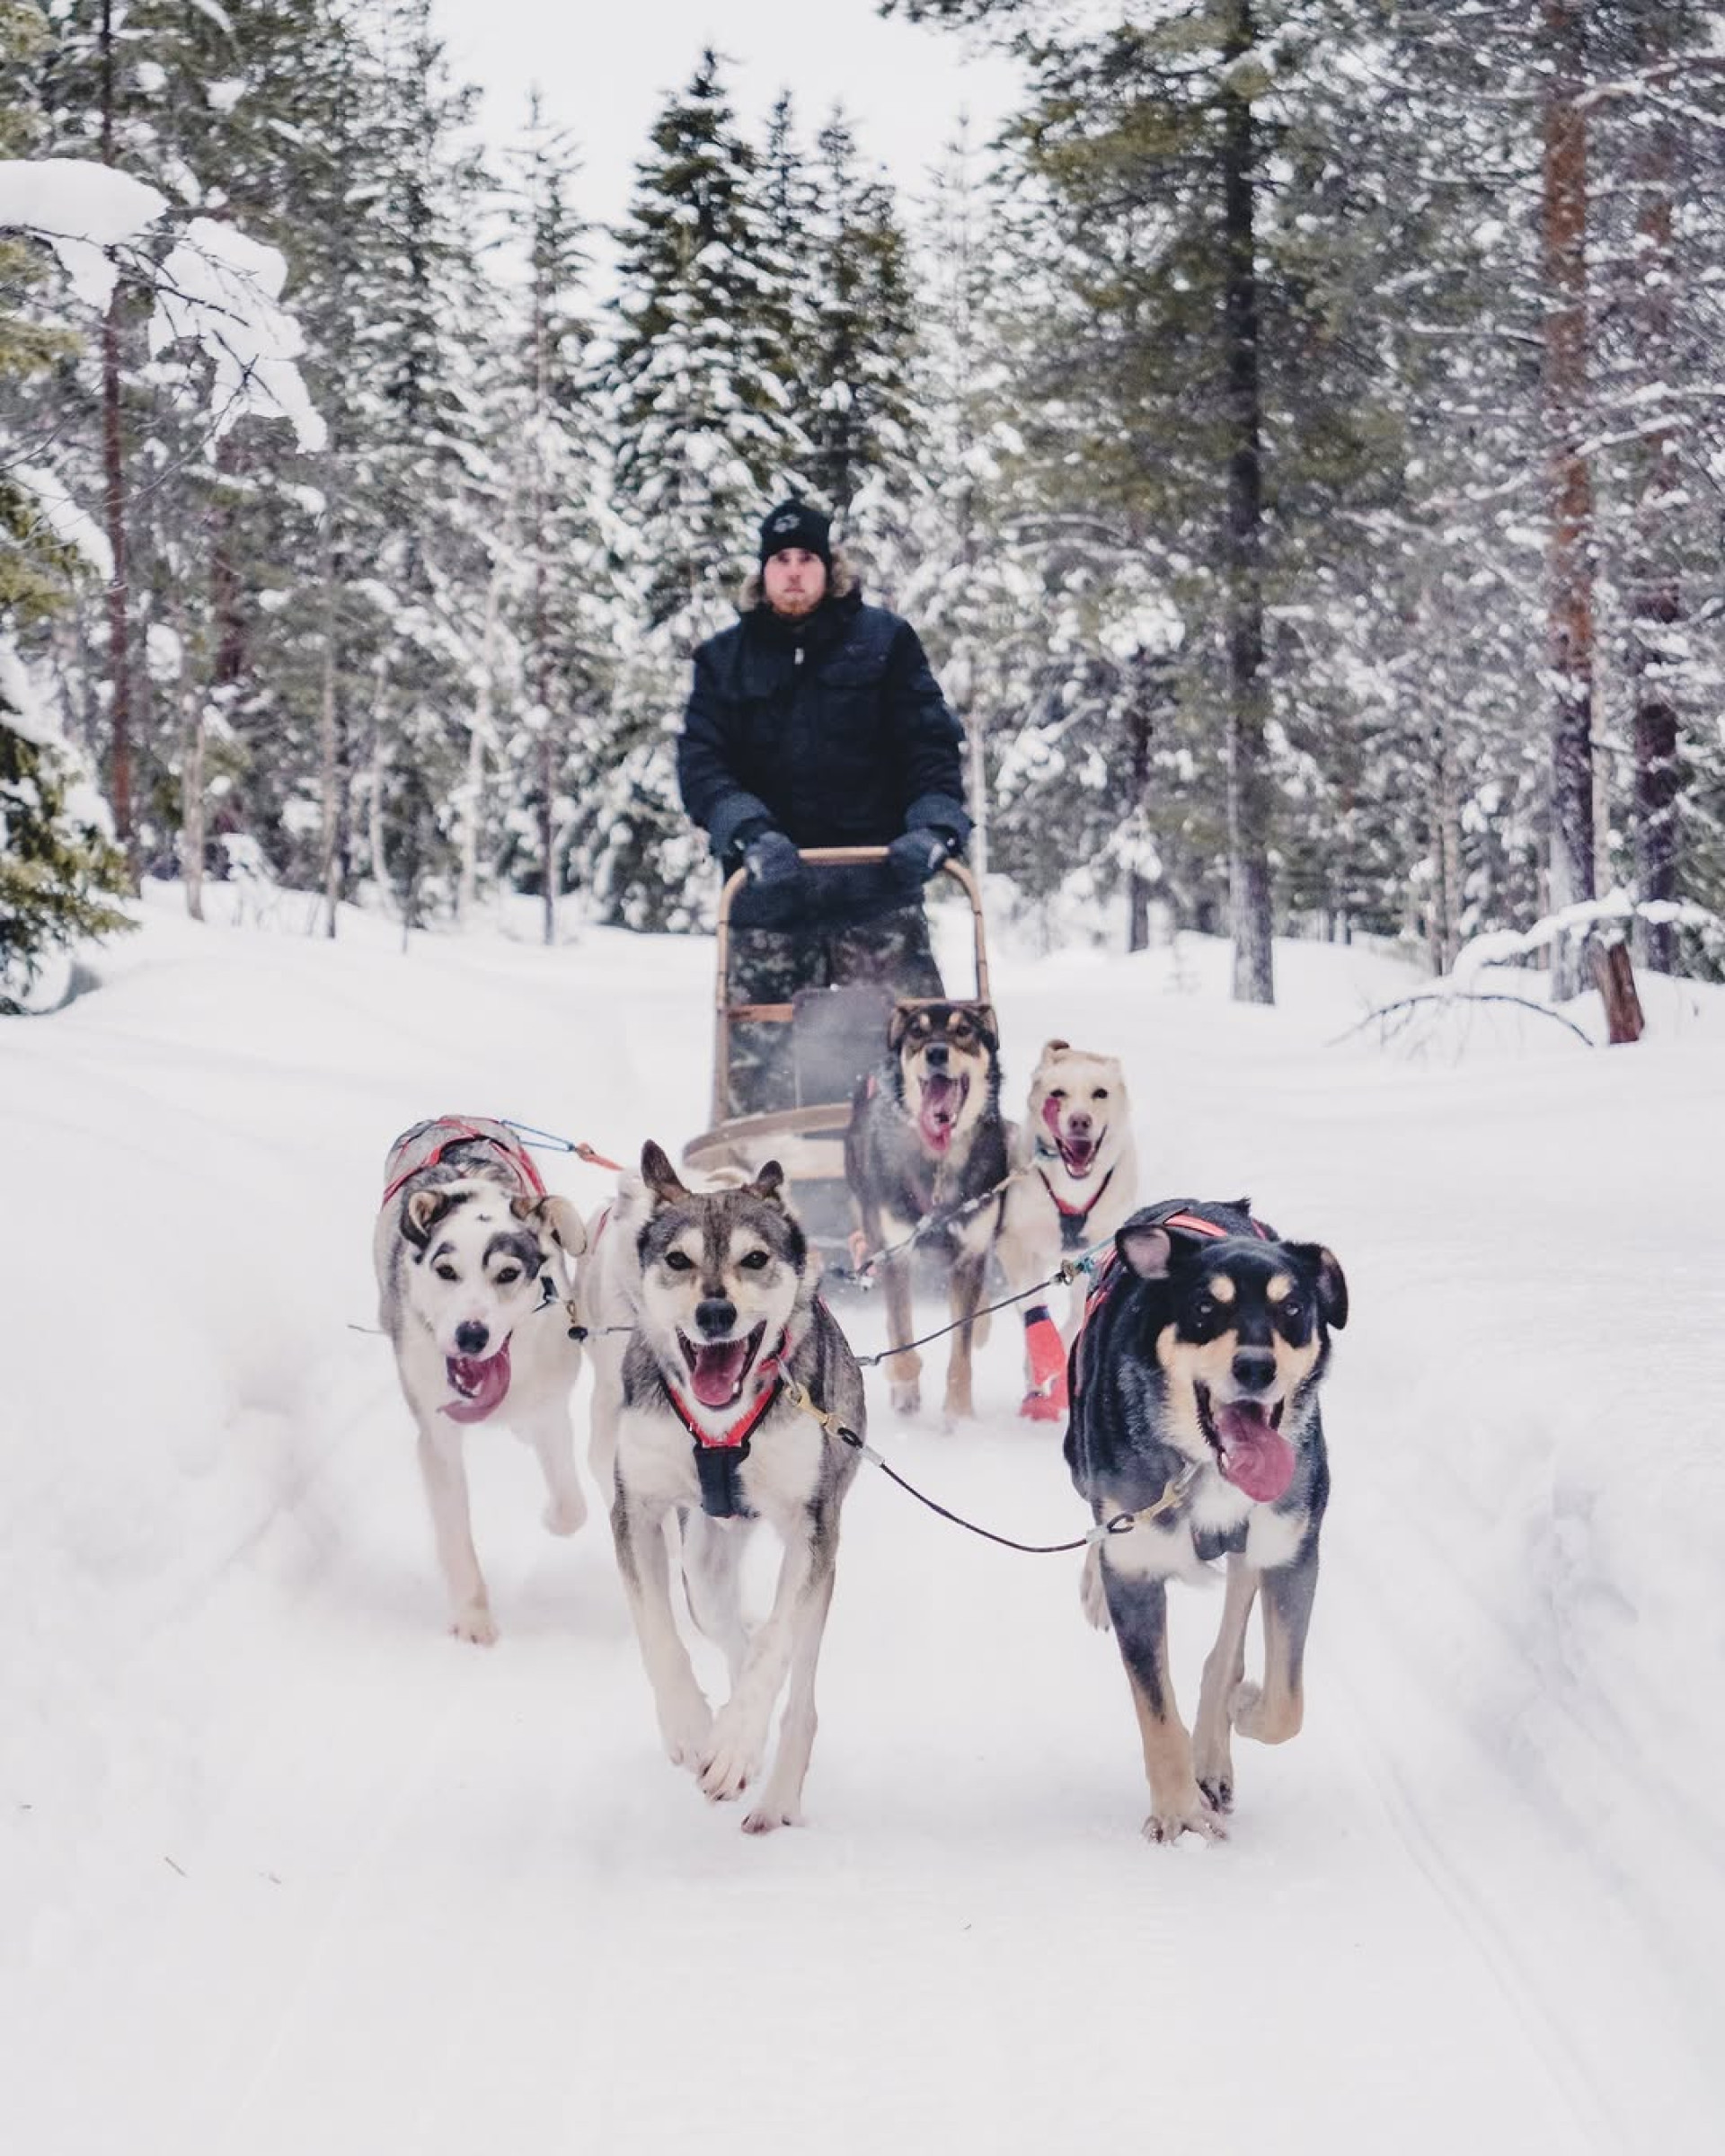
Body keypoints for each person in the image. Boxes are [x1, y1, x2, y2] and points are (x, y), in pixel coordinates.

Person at [678, 499, 972, 1115]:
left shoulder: (886, 643)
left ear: (829, 567)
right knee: (760, 1082)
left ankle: (932, 1158)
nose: (793, 571)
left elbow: (930, 746)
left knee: (922, 1056)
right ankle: (756, 1169)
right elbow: (703, 767)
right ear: (763, 571)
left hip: (877, 892)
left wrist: (932, 828)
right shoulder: (723, 660)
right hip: (769, 900)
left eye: (806, 558)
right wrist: (749, 833)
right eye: (780, 559)